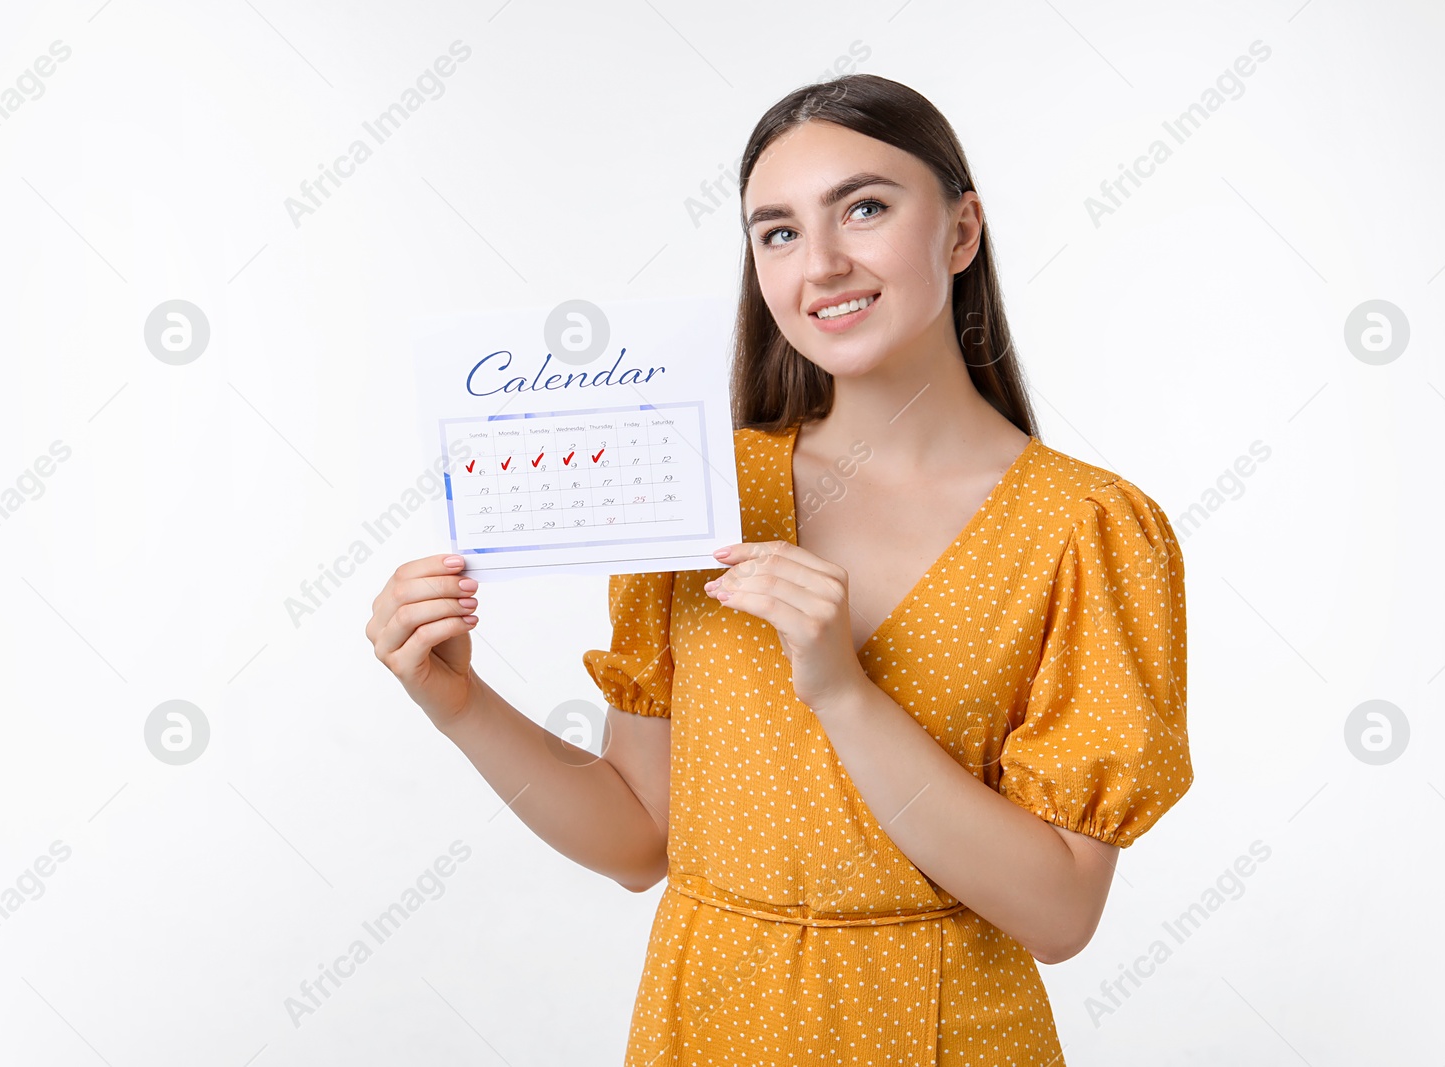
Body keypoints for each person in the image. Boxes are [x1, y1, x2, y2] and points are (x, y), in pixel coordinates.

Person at [368, 73, 1194, 1065]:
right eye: (779, 232)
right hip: (707, 1021)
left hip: (942, 1033)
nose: (824, 264)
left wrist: (843, 691)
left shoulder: (1088, 528)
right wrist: (459, 704)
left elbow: (1059, 912)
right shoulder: (694, 493)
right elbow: (639, 840)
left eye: (866, 208)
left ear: (962, 231)